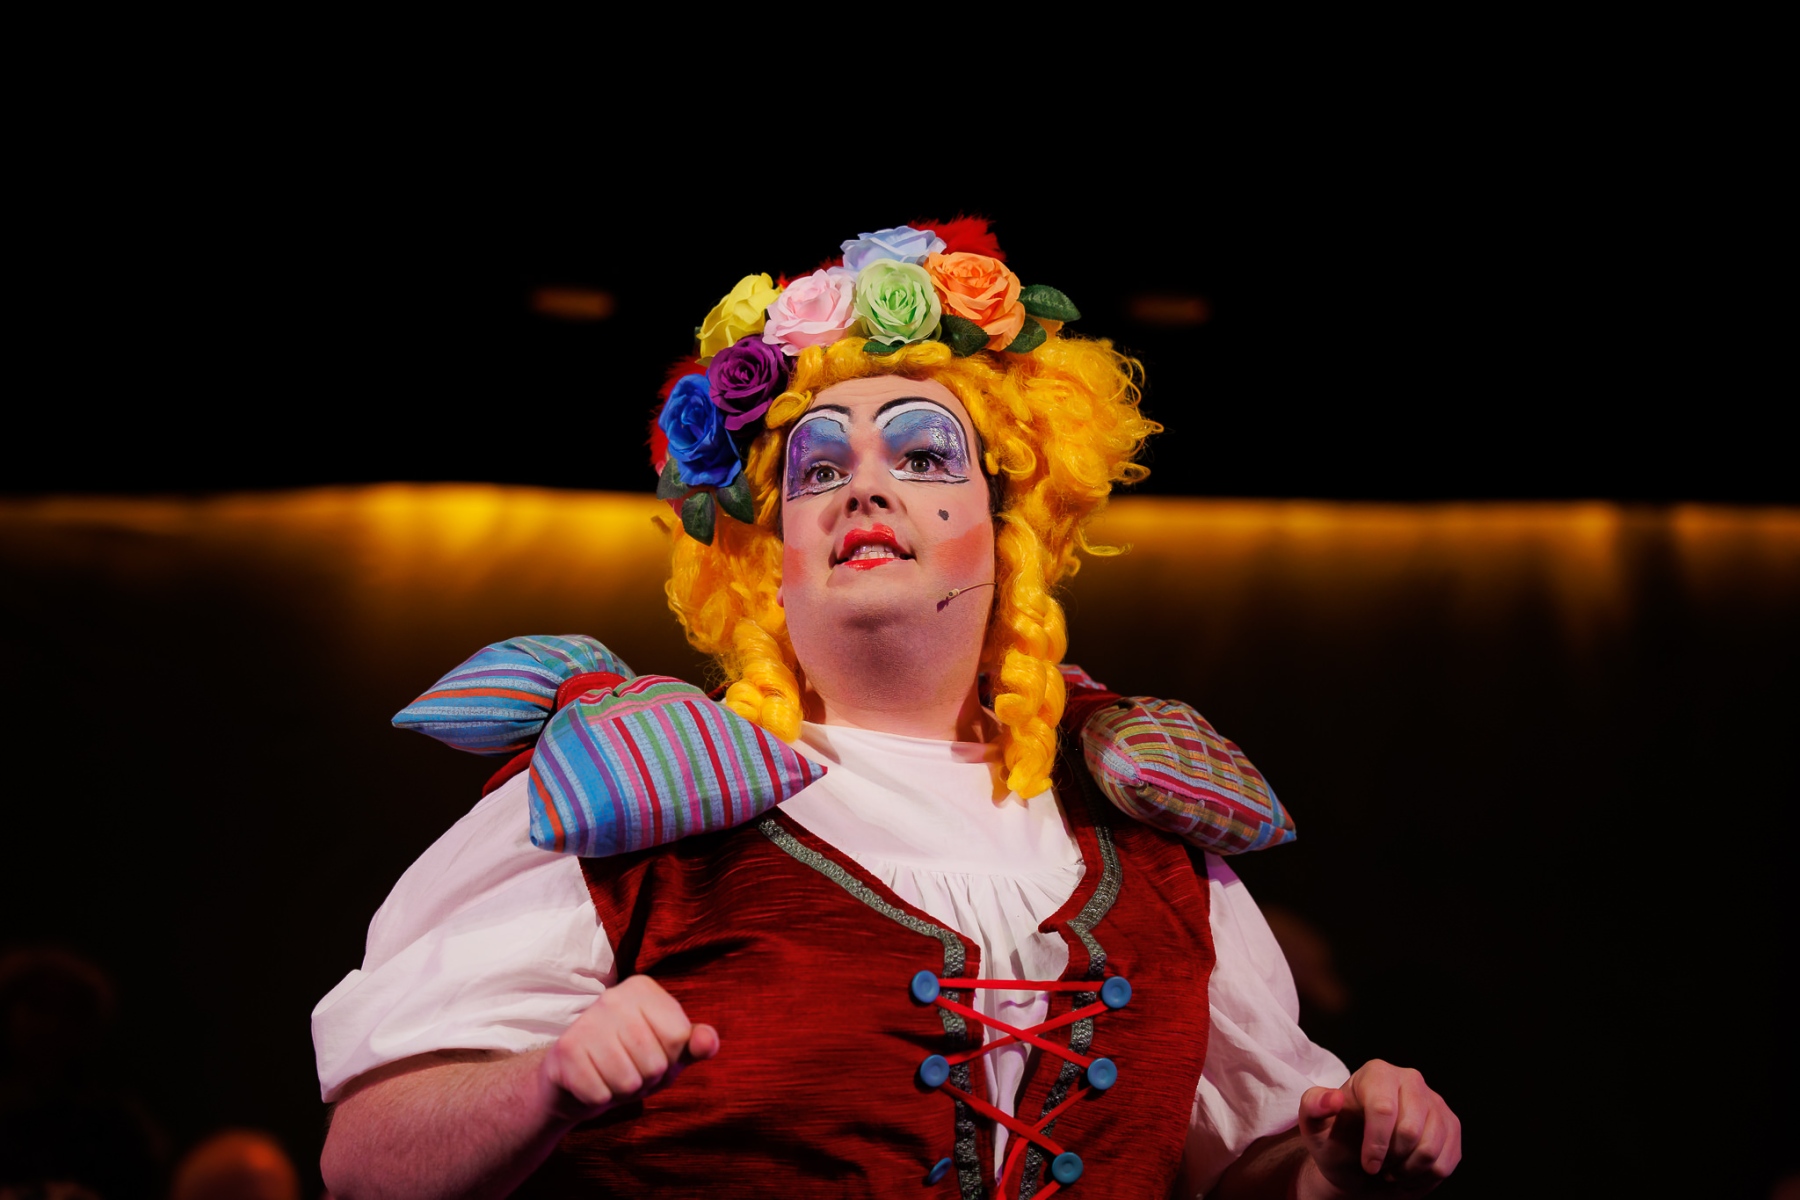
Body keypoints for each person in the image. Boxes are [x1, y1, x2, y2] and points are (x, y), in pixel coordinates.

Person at [313, 221, 1462, 1199]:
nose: (863, 485)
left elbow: (1247, 1169)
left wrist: (1343, 1158)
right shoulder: (625, 796)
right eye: (816, 470)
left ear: (1006, 530)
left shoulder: (1149, 836)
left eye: (921, 456)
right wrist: (545, 1083)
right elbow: (367, 1162)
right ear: (769, 559)